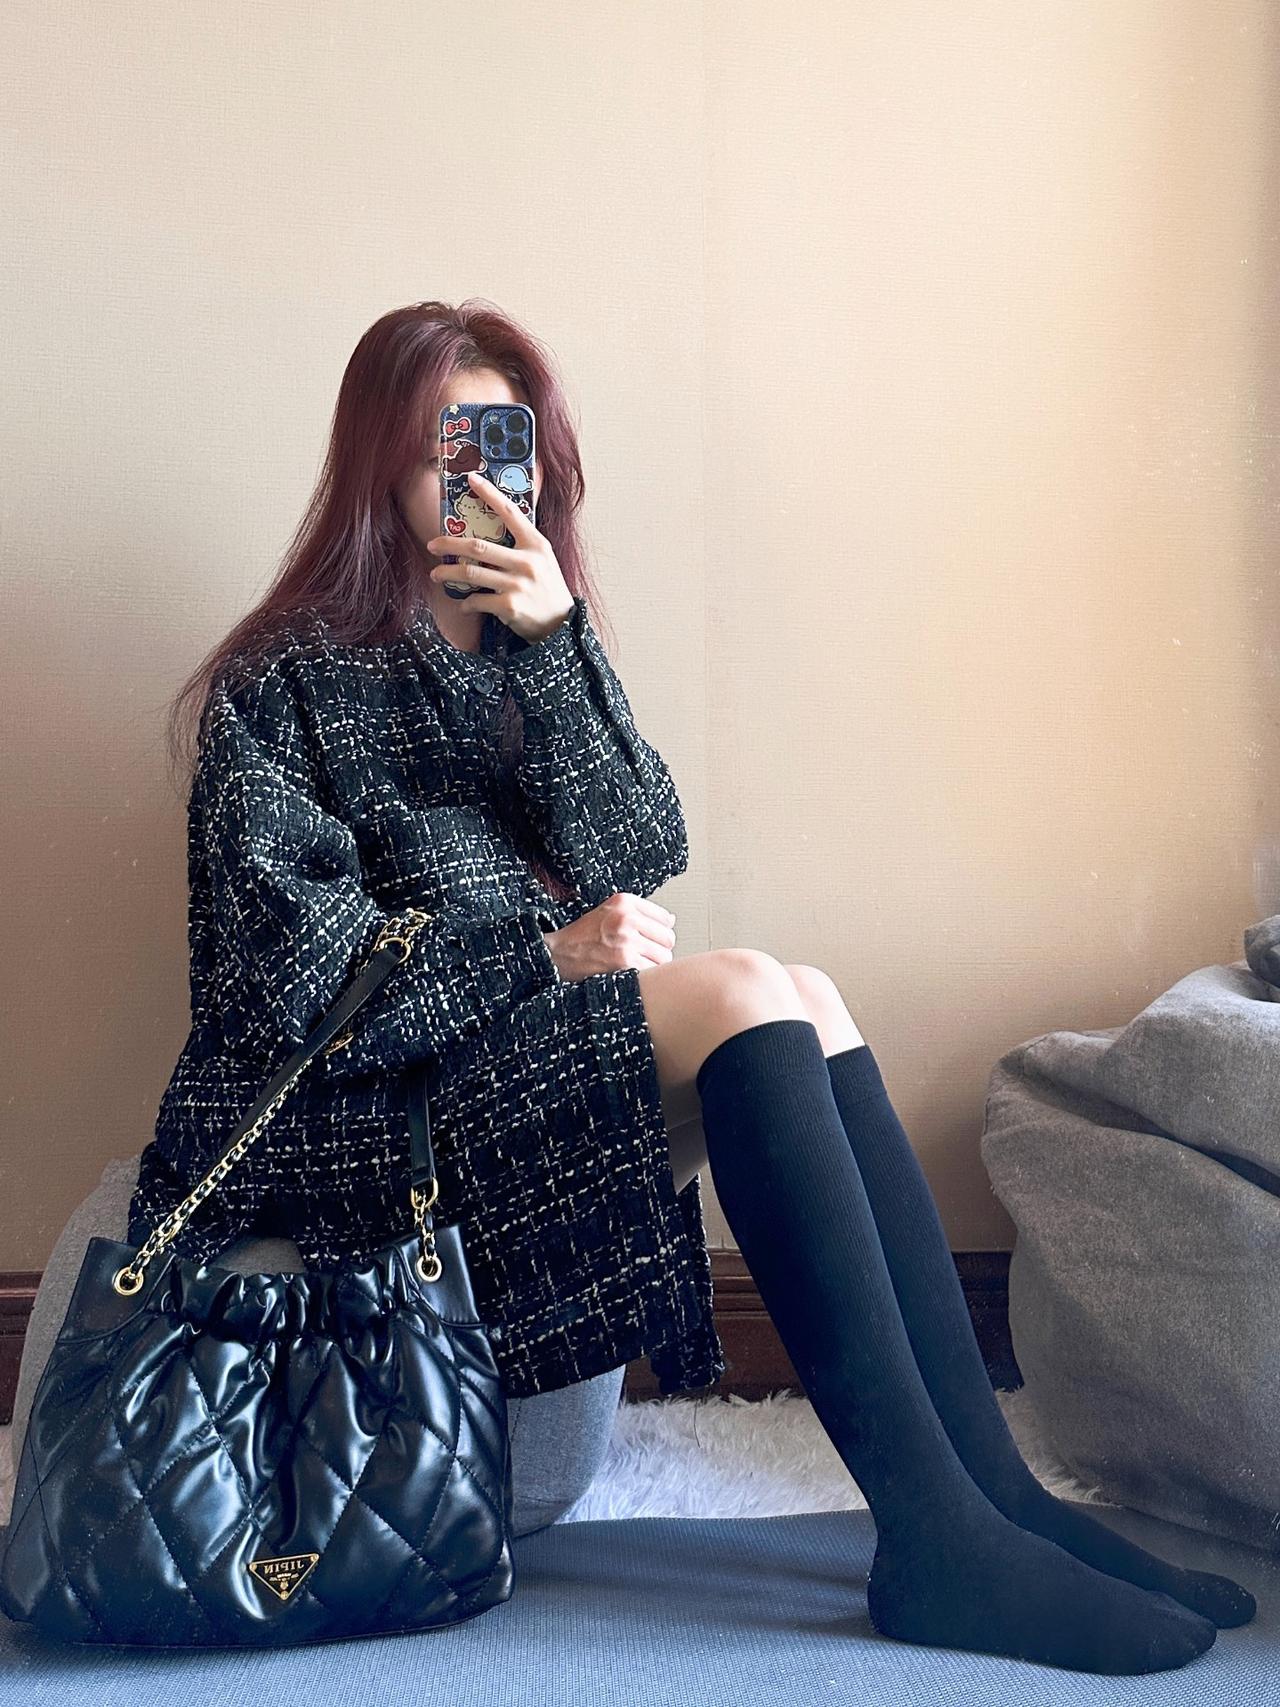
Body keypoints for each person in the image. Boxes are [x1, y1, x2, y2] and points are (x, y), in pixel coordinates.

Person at [131, 298, 1250, 1676]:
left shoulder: (531, 651)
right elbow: (295, 986)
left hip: (498, 1077)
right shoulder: (281, 682)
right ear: (378, 466)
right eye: (441, 451)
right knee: (734, 993)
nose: (480, 481)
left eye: (503, 446)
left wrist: (557, 651)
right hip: (358, 1123)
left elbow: (638, 848)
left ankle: (994, 1499)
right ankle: (937, 1538)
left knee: (804, 995)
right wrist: (542, 956)